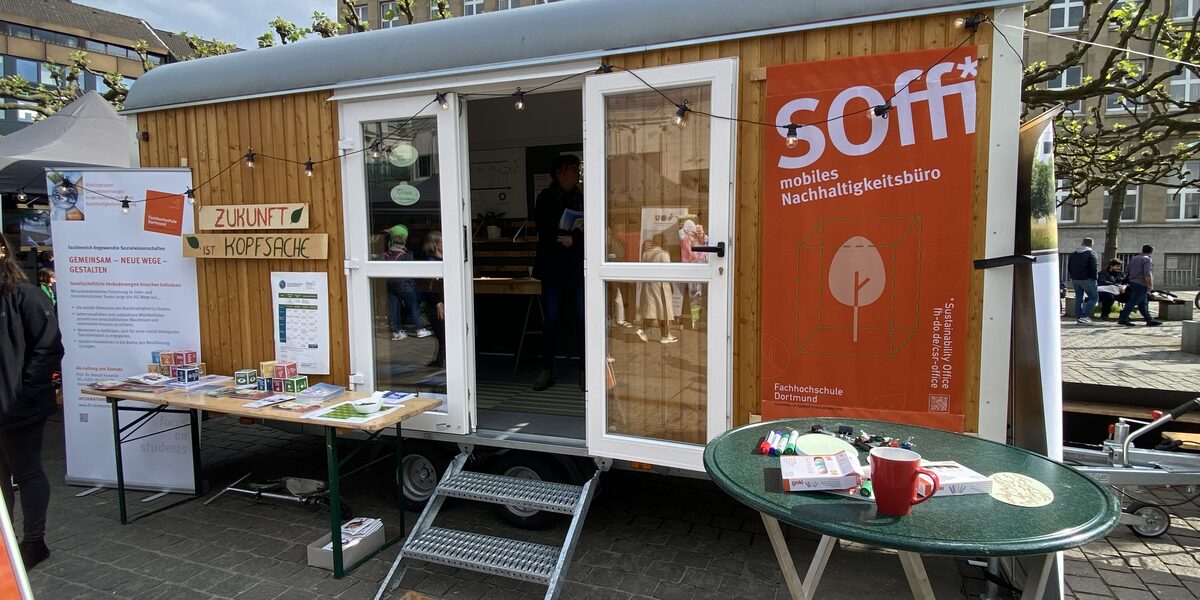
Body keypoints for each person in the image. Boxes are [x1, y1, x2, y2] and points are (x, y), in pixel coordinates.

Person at [0, 233, 63, 570]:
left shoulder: (27, 296)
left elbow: (49, 348)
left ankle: (34, 541)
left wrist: (23, 392)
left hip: (20, 407)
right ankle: (6, 543)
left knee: (26, 472)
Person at [531, 154, 584, 391]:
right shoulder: (545, 197)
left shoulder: (581, 196)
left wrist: (574, 239)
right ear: (560, 172)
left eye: (578, 169)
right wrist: (560, 237)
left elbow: (591, 227)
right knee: (551, 320)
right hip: (553, 269)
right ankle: (546, 370)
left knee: (583, 320)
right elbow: (542, 230)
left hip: (576, 268)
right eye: (573, 169)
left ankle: (586, 371)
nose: (577, 173)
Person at [383, 225, 432, 340]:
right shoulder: (407, 255)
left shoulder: (385, 255)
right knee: (414, 306)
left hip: (391, 286)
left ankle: (397, 332)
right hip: (405, 286)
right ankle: (420, 329)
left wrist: (388, 231)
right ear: (404, 242)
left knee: (394, 309)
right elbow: (412, 272)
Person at [635, 234, 678, 344]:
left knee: (652, 311)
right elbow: (669, 272)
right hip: (661, 287)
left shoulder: (645, 254)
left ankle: (643, 330)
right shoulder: (664, 255)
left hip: (648, 285)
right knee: (663, 311)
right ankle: (665, 335)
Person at [1118, 244, 1162, 327]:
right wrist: (1150, 285)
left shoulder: (1134, 258)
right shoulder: (1147, 260)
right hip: (1141, 283)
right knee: (1133, 302)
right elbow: (1147, 273)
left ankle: (1149, 319)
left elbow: (1127, 270)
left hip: (1132, 282)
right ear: (1151, 251)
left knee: (1142, 303)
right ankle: (1123, 318)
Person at [422, 231, 446, 368]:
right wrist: (438, 302)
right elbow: (428, 287)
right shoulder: (431, 262)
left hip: (443, 301)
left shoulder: (444, 260)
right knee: (442, 335)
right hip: (435, 303)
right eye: (442, 242)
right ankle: (440, 362)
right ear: (435, 245)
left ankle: (440, 362)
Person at [1067, 237, 1099, 324]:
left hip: (1075, 279)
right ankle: (1084, 317)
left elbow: (1069, 266)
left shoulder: (1073, 254)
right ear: (1092, 244)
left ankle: (1079, 318)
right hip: (1087, 279)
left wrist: (1072, 276)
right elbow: (1094, 267)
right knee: (1094, 297)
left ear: (1082, 243)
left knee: (1078, 298)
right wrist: (1095, 278)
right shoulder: (1091, 253)